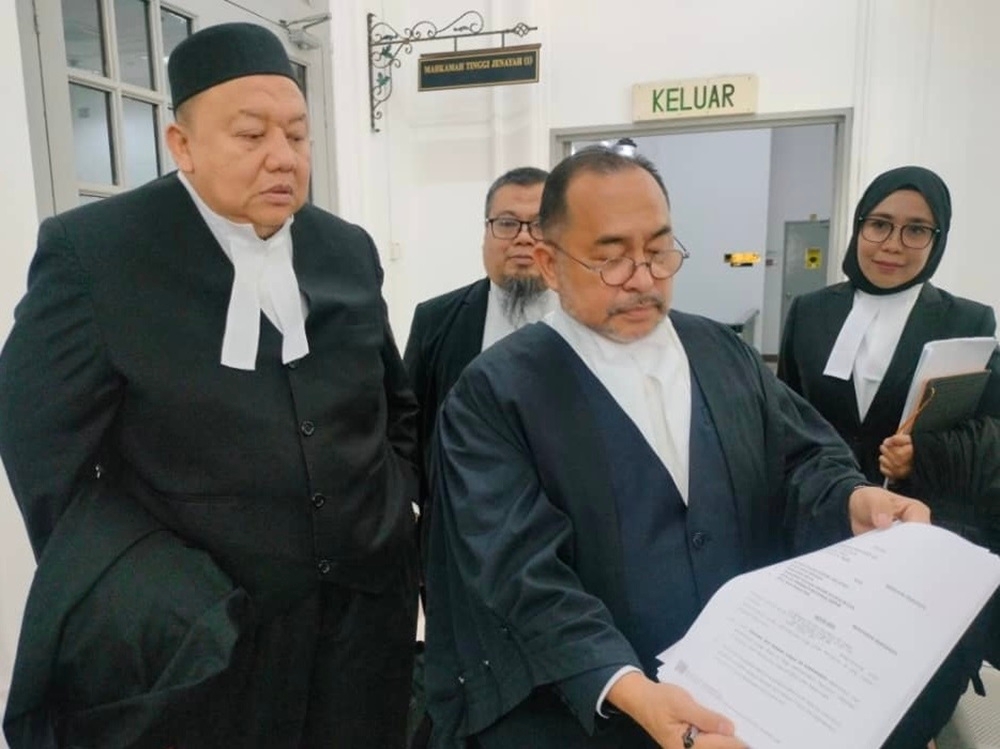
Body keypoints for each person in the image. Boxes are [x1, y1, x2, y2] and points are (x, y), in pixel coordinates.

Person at [422, 145, 930, 749]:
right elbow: (518, 570)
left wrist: (853, 500)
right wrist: (633, 690)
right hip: (587, 712)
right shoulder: (496, 392)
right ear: (550, 264)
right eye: (610, 259)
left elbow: (800, 460)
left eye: (659, 251)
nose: (643, 279)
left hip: (738, 694)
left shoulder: (721, 351)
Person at [0, 22, 419, 749]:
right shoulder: (96, 254)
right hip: (206, 632)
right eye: (251, 135)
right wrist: (132, 585)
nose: (282, 157)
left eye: (297, 134)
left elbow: (392, 402)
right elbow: (40, 441)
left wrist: (394, 505)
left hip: (361, 619)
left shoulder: (344, 249)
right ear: (182, 145)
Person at [778, 165, 1000, 735]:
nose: (893, 245)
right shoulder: (810, 311)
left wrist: (923, 454)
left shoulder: (968, 320)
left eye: (916, 230)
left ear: (938, 238)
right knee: (823, 682)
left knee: (903, 682)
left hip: (917, 530)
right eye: (879, 224)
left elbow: (991, 431)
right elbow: (785, 416)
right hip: (824, 528)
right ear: (857, 228)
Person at [404, 166, 554, 521]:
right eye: (506, 223)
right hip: (464, 525)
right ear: (485, 233)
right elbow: (407, 427)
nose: (523, 238)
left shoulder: (588, 321)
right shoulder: (436, 320)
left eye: (539, 224)